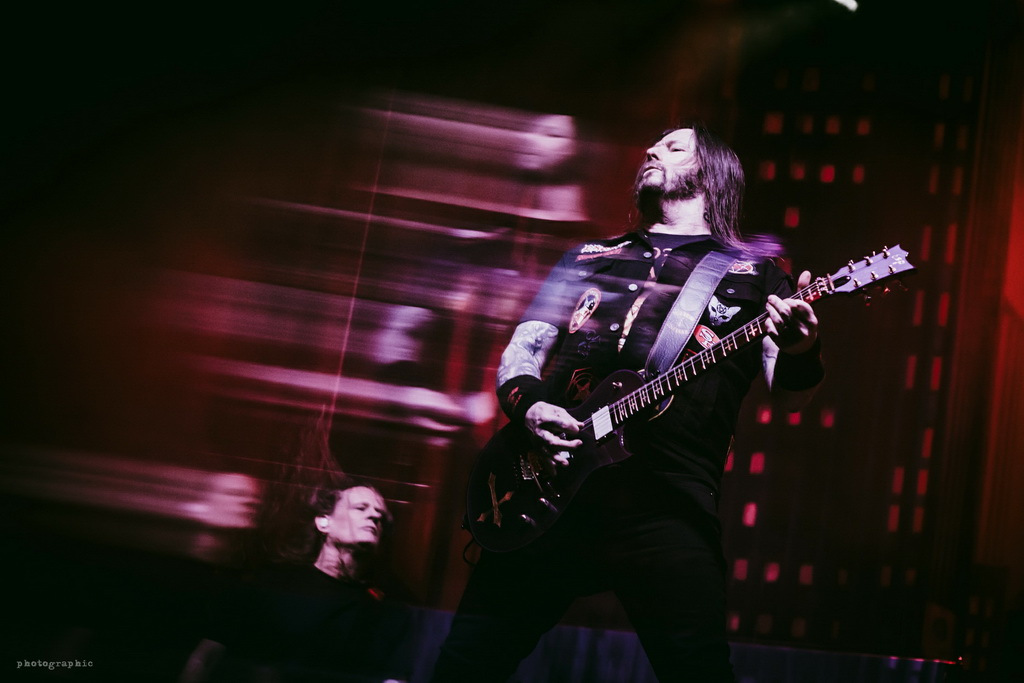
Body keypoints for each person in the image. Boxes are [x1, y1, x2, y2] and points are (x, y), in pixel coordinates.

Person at [430, 124, 824, 682]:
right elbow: (524, 349)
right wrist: (532, 407)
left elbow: (790, 397)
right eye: (654, 145)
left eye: (674, 147)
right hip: (548, 486)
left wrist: (803, 348)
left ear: (711, 173)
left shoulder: (757, 276)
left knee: (699, 673)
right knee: (466, 664)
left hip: (667, 503)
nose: (651, 150)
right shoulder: (589, 256)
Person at [181, 462, 412, 682]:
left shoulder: (385, 609)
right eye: (360, 508)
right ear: (324, 523)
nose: (375, 516)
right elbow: (207, 656)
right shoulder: (272, 585)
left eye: (380, 515)